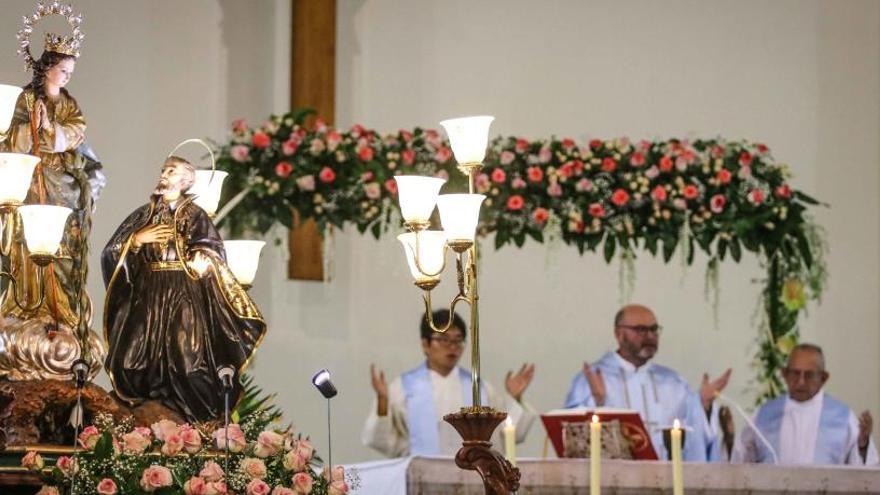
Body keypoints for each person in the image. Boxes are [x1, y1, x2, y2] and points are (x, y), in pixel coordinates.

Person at [102, 156, 265, 422]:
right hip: (148, 292)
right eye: (163, 170)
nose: (164, 175)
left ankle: (199, 420)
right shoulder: (143, 215)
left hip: (182, 291)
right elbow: (110, 251)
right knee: (128, 361)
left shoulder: (195, 214)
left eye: (171, 171)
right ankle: (142, 408)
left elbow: (211, 248)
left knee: (188, 363)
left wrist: (201, 258)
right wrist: (135, 241)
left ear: (186, 181)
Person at [1, 36, 105, 332]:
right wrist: (29, 127)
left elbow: (77, 134)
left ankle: (61, 310)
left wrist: (50, 128)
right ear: (47, 68)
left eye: (71, 71)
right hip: (30, 177)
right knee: (26, 241)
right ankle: (27, 304)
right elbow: (8, 138)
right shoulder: (25, 100)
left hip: (62, 181)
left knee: (65, 241)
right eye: (63, 70)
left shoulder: (69, 103)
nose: (67, 76)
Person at [564, 304, 730, 461]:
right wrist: (597, 402)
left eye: (654, 329)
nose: (650, 336)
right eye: (641, 330)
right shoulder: (593, 378)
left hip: (665, 481)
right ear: (619, 334)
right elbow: (570, 436)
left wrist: (703, 405)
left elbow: (694, 440)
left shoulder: (673, 383)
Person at [362, 310, 537, 457]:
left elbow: (508, 435)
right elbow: (383, 440)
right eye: (444, 339)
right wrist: (383, 402)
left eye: (458, 340)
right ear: (425, 344)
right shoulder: (403, 387)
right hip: (423, 479)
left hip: (473, 480)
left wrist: (515, 398)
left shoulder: (479, 388)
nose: (452, 346)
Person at [731, 343, 878, 465]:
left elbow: (865, 473)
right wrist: (728, 436)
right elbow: (740, 463)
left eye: (809, 375)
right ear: (785, 374)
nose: (801, 381)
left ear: (823, 378)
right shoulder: (764, 415)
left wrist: (863, 446)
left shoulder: (843, 418)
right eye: (795, 373)